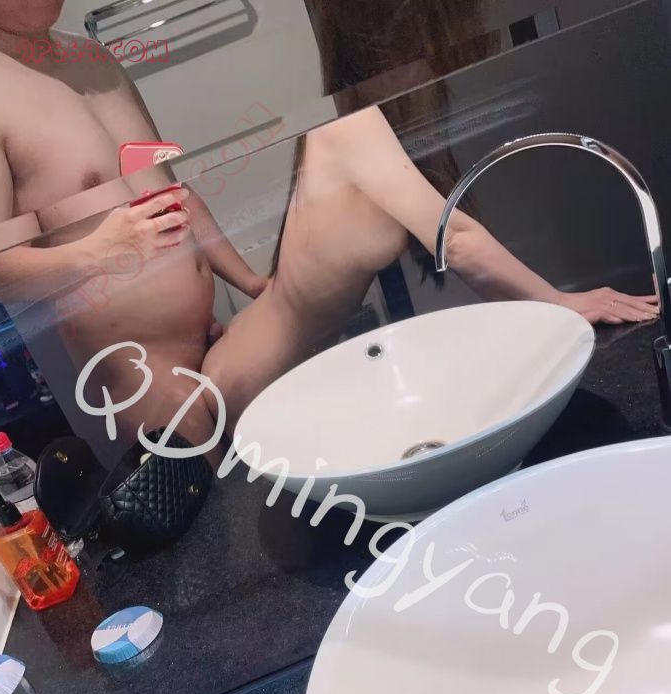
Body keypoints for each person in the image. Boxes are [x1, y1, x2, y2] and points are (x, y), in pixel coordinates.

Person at [202, 0, 658, 436]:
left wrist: (548, 311)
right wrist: (559, 303)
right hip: (245, 380)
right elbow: (454, 239)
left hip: (282, 368)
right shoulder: (348, 129)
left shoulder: (375, 120)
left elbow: (457, 243)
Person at [0, 0, 266, 459]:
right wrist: (100, 251)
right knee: (219, 501)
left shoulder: (94, 58)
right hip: (137, 372)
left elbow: (172, 190)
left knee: (294, 474)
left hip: (214, 335)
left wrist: (251, 282)